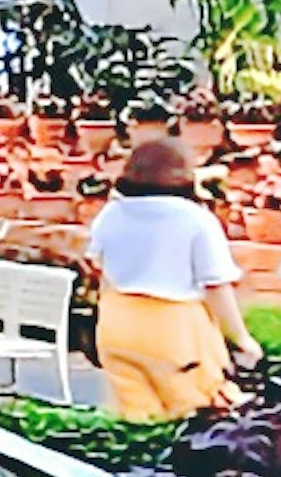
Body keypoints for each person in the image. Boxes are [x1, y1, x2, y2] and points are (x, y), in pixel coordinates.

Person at [83, 133, 254, 419]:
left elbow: (96, 265)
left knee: (136, 418)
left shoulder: (111, 214)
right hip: (176, 331)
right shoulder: (196, 219)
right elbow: (216, 285)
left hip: (117, 323)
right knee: (198, 417)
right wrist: (241, 338)